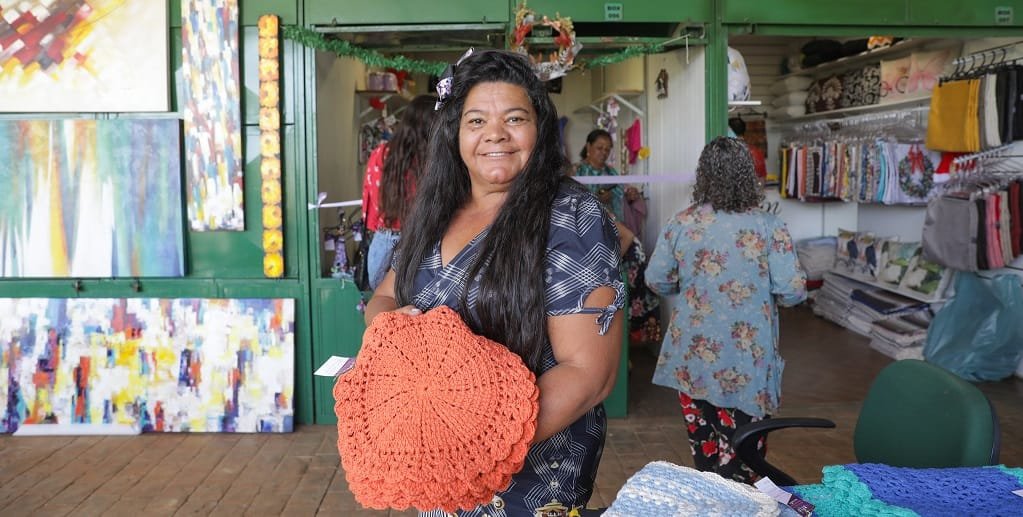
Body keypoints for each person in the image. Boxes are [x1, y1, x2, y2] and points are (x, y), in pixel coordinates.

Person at [364, 49, 625, 516]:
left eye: (514, 118)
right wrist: (390, 329)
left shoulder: (571, 217)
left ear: (539, 128)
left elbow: (589, 375)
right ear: (456, 133)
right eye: (477, 120)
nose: (496, 135)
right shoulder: (438, 210)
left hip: (526, 484)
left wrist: (475, 446)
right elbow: (384, 296)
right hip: (438, 474)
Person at [645, 136, 807, 484]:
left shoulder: (682, 223)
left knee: (705, 452)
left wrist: (691, 287)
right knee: (746, 457)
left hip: (693, 357)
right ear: (748, 176)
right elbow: (792, 292)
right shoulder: (769, 227)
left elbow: (656, 280)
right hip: (747, 359)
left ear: (703, 176)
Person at [361, 94, 436, 289]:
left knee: (384, 309)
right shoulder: (437, 160)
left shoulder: (381, 154)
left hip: (385, 241)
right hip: (424, 242)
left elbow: (371, 202)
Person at [575, 129, 625, 221]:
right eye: (599, 148)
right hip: (586, 224)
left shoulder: (611, 172)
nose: (604, 152)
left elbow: (621, 192)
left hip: (613, 224)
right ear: (588, 146)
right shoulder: (577, 170)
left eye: (607, 149)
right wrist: (596, 198)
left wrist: (613, 195)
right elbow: (571, 199)